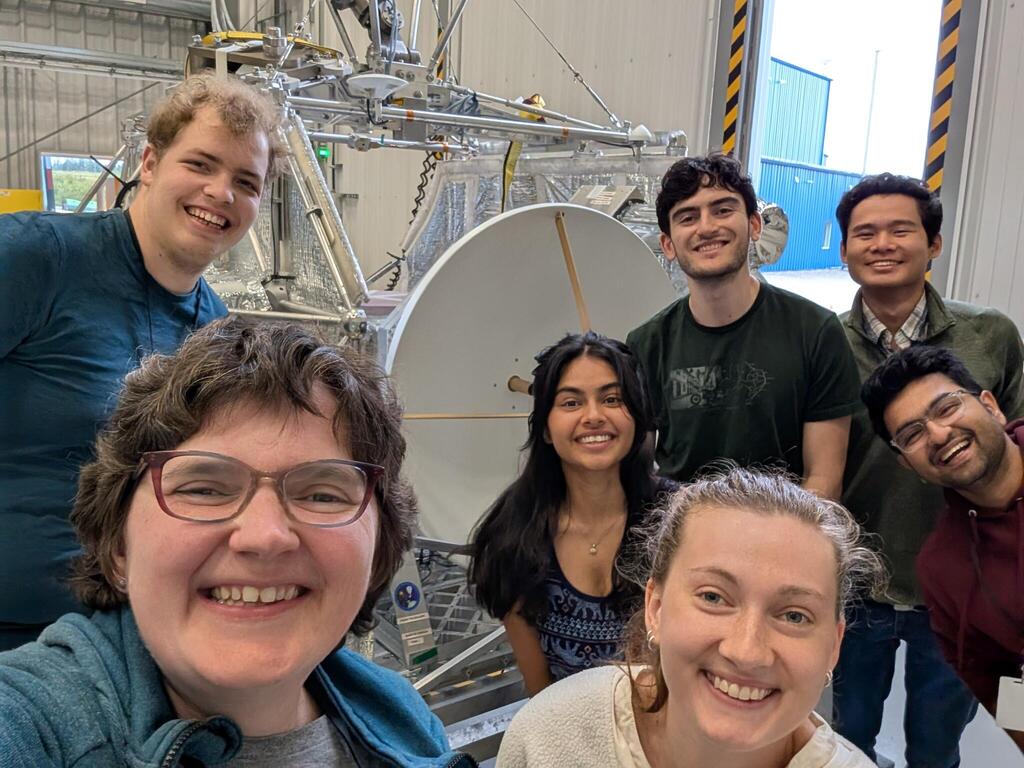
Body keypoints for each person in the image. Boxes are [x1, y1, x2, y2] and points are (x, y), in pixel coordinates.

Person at [0, 318, 475, 768]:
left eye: (322, 494)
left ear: (377, 553)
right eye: (203, 488)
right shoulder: (30, 722)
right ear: (118, 546)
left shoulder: (404, 720)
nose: (265, 536)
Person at [0, 73, 287, 650]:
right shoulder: (36, 258)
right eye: (201, 165)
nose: (220, 192)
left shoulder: (214, 330)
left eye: (245, 181)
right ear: (151, 163)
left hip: (119, 635)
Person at [496, 466, 881, 767]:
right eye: (714, 596)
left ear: (834, 646)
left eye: (794, 616)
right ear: (656, 608)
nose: (746, 651)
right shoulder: (551, 736)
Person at [833, 173, 1024, 764]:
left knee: (936, 743)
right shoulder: (822, 343)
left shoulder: (989, 333)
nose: (882, 243)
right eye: (865, 233)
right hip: (859, 585)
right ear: (844, 252)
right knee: (848, 734)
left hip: (967, 591)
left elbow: (1008, 447)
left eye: (901, 230)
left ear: (934, 243)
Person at [626, 154, 861, 499]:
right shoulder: (647, 343)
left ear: (754, 225)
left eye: (723, 210)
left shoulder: (815, 331)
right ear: (668, 244)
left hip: (783, 538)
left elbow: (823, 480)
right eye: (688, 217)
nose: (706, 227)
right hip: (685, 537)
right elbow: (637, 472)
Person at [469, 332, 676, 695]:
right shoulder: (514, 534)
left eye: (612, 399)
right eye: (570, 403)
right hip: (571, 734)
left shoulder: (681, 521)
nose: (593, 416)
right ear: (546, 429)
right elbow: (540, 692)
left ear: (636, 419)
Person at [862, 344, 1024, 752]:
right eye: (912, 434)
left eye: (946, 408)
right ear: (908, 464)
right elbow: (996, 683)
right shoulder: (943, 569)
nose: (937, 434)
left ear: (990, 405)